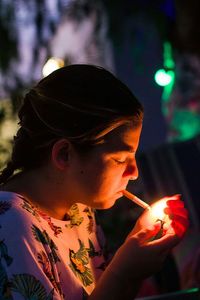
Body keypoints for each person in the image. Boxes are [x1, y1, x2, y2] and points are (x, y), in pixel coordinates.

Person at [0, 64, 188, 300]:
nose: (135, 172)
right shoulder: (11, 225)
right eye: (120, 159)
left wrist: (136, 256)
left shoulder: (79, 210)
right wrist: (123, 272)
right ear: (64, 154)